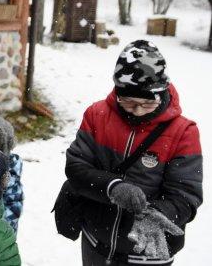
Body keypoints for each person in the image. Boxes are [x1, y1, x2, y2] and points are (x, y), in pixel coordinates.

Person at [65, 40, 202, 265]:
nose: (137, 111)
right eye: (128, 102)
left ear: (162, 91)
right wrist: (112, 187)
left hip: (148, 254)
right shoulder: (97, 115)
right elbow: (76, 167)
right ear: (118, 91)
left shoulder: (184, 132)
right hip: (96, 243)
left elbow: (186, 195)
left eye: (146, 103)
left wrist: (159, 214)